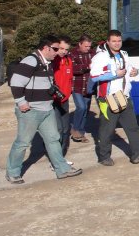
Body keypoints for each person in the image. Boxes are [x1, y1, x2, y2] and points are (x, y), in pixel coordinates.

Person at [6, 35, 83, 183]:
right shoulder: (31, 60)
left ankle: (62, 169)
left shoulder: (47, 63)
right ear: (46, 48)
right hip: (30, 111)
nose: (57, 52)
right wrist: (21, 102)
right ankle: (12, 172)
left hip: (47, 109)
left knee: (53, 139)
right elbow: (15, 82)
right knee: (23, 142)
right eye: (55, 49)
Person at [90, 30, 139, 166]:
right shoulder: (100, 57)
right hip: (108, 99)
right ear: (108, 42)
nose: (117, 43)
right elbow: (94, 76)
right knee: (107, 130)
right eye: (114, 41)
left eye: (119, 41)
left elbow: (129, 70)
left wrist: (135, 72)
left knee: (132, 127)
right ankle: (104, 156)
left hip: (124, 96)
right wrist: (114, 74)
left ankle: (138, 154)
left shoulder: (124, 54)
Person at [51, 36, 74, 160]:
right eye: (61, 48)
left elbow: (69, 79)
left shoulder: (68, 60)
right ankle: (56, 158)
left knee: (65, 129)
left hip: (64, 100)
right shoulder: (51, 61)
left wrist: (68, 92)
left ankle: (61, 156)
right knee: (58, 129)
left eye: (66, 49)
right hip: (53, 101)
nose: (64, 51)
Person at [69, 35, 93, 143]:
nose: (88, 48)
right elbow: (73, 69)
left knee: (86, 110)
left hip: (89, 87)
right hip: (77, 86)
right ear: (80, 44)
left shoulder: (93, 54)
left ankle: (80, 133)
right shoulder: (72, 54)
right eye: (86, 46)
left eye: (89, 46)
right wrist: (87, 66)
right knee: (81, 107)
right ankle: (75, 129)